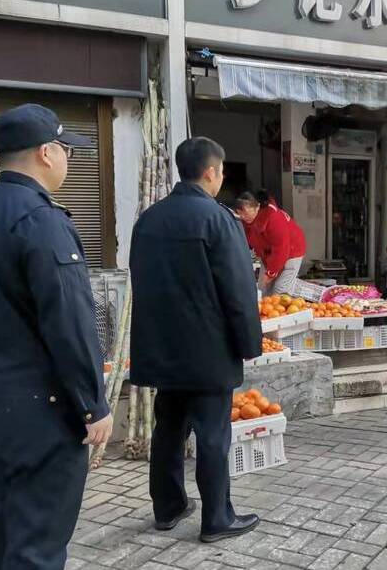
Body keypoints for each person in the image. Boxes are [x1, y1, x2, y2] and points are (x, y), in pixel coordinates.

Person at [0, 104, 113, 570]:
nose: (68, 160)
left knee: (5, 522)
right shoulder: (41, 220)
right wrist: (92, 404)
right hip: (42, 413)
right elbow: (69, 320)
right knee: (37, 541)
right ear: (46, 152)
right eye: (67, 151)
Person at [129, 137, 263, 542]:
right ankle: (217, 518)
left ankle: (168, 507)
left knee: (168, 428)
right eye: (221, 172)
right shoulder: (219, 220)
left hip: (163, 349)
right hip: (208, 350)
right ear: (210, 172)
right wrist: (249, 345)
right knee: (211, 435)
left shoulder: (148, 220)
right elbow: (239, 292)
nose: (221, 178)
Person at [234, 190, 307, 295]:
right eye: (239, 213)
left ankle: (283, 311)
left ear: (257, 206)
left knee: (280, 291)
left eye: (245, 211)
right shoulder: (246, 221)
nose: (243, 216)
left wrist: (271, 273)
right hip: (268, 254)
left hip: (291, 251)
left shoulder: (274, 218)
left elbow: (281, 249)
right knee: (262, 289)